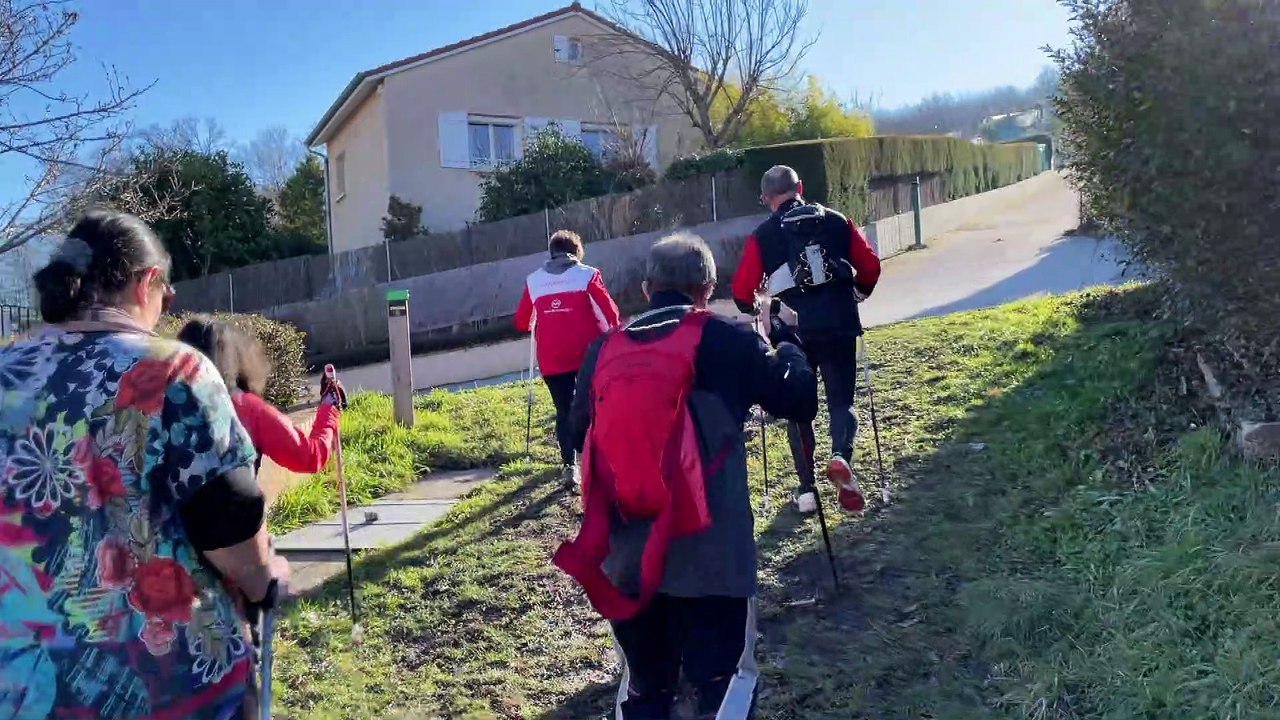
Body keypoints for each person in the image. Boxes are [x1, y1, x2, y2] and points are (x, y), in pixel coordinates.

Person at [0, 210, 288, 720]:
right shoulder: (171, 367)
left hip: (24, 691)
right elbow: (230, 513)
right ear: (146, 281)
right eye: (166, 294)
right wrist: (264, 578)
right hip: (169, 690)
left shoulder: (6, 374)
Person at [555, 232, 818, 719]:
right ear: (708, 288)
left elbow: (575, 433)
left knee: (646, 689)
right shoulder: (725, 339)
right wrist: (786, 341)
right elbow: (800, 400)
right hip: (713, 558)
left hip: (628, 559)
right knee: (724, 685)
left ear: (646, 287)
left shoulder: (602, 351)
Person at [730, 165, 882, 515]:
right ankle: (841, 457)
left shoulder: (763, 236)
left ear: (766, 199)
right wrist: (858, 292)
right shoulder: (837, 221)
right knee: (841, 401)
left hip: (793, 331)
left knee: (799, 409)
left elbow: (741, 290)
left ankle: (807, 489)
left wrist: (756, 306)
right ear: (800, 186)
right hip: (839, 323)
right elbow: (870, 266)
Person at [514, 229, 620, 492]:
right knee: (594, 406)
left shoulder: (534, 281)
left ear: (551, 253)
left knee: (564, 410)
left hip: (552, 358)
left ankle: (569, 466)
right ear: (577, 251)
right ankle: (597, 460)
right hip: (588, 355)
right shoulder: (588, 275)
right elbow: (611, 314)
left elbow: (522, 322)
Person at [177, 316, 347, 475]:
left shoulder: (166, 406)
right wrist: (329, 405)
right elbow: (310, 457)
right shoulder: (247, 409)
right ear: (232, 359)